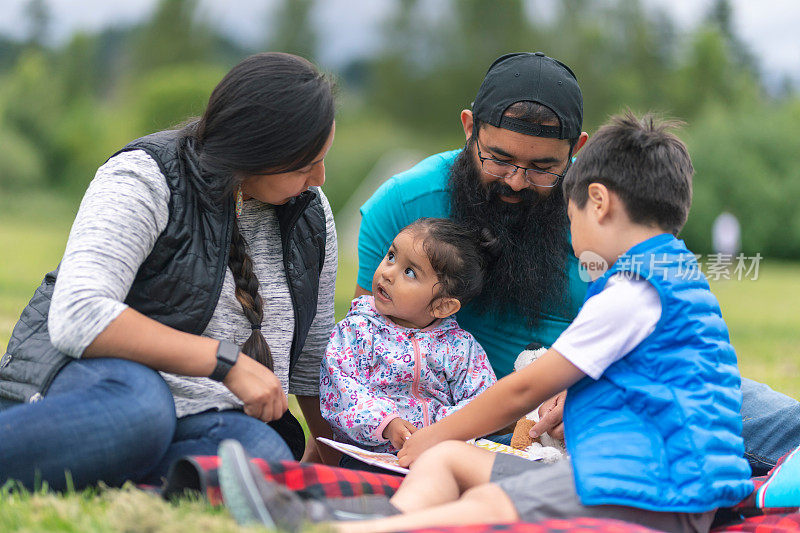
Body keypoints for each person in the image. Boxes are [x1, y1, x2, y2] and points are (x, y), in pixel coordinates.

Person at [218, 112, 755, 533]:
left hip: (649, 493)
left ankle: (329, 526)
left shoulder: (632, 290)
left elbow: (522, 389)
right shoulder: (673, 276)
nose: (573, 237)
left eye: (571, 218)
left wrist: (434, 434)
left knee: (489, 499)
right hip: (642, 481)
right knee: (451, 462)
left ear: (598, 201)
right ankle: (384, 515)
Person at [354, 51, 800, 474]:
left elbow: (650, 339)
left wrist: (589, 388)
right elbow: (357, 343)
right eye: (499, 158)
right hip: (453, 420)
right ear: (469, 128)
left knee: (754, 415)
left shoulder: (601, 218)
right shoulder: (402, 204)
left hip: (600, 396)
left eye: (543, 167)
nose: (516, 181)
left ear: (577, 150)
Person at [0, 52, 339, 490]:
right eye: (303, 164)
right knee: (141, 412)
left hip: (200, 419)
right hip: (93, 387)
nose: (321, 177)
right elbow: (78, 315)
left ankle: (99, 463)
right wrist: (225, 362)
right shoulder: (145, 175)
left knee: (260, 456)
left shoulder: (311, 213)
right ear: (253, 152)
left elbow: (312, 352)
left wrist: (328, 451)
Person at [320, 218, 497, 466]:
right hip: (371, 456)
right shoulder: (356, 331)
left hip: (439, 456)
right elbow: (341, 388)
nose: (388, 273)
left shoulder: (460, 347)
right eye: (391, 256)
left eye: (409, 272)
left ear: (442, 305)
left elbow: (482, 401)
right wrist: (387, 423)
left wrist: (439, 431)